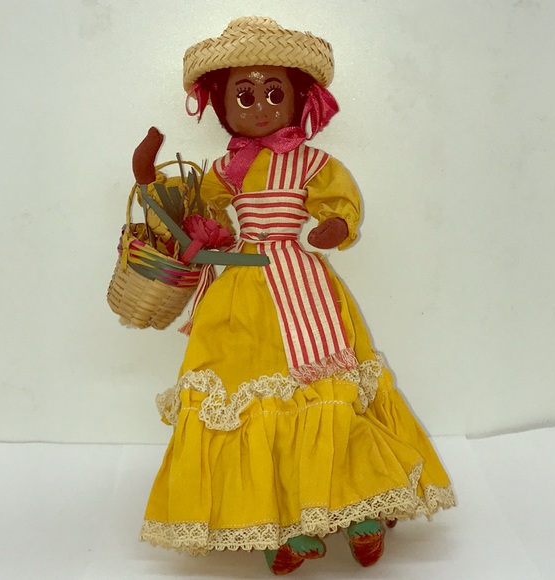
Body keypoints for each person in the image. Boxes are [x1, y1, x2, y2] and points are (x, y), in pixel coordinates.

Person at [134, 17, 455, 575]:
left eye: (274, 93)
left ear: (299, 98)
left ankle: (359, 508)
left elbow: (338, 202)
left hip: (302, 285)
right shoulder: (223, 169)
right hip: (241, 290)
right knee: (243, 398)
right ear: (221, 104)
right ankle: (274, 520)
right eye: (245, 95)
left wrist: (335, 225)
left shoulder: (312, 162)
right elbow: (199, 216)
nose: (260, 106)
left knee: (326, 390)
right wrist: (152, 183)